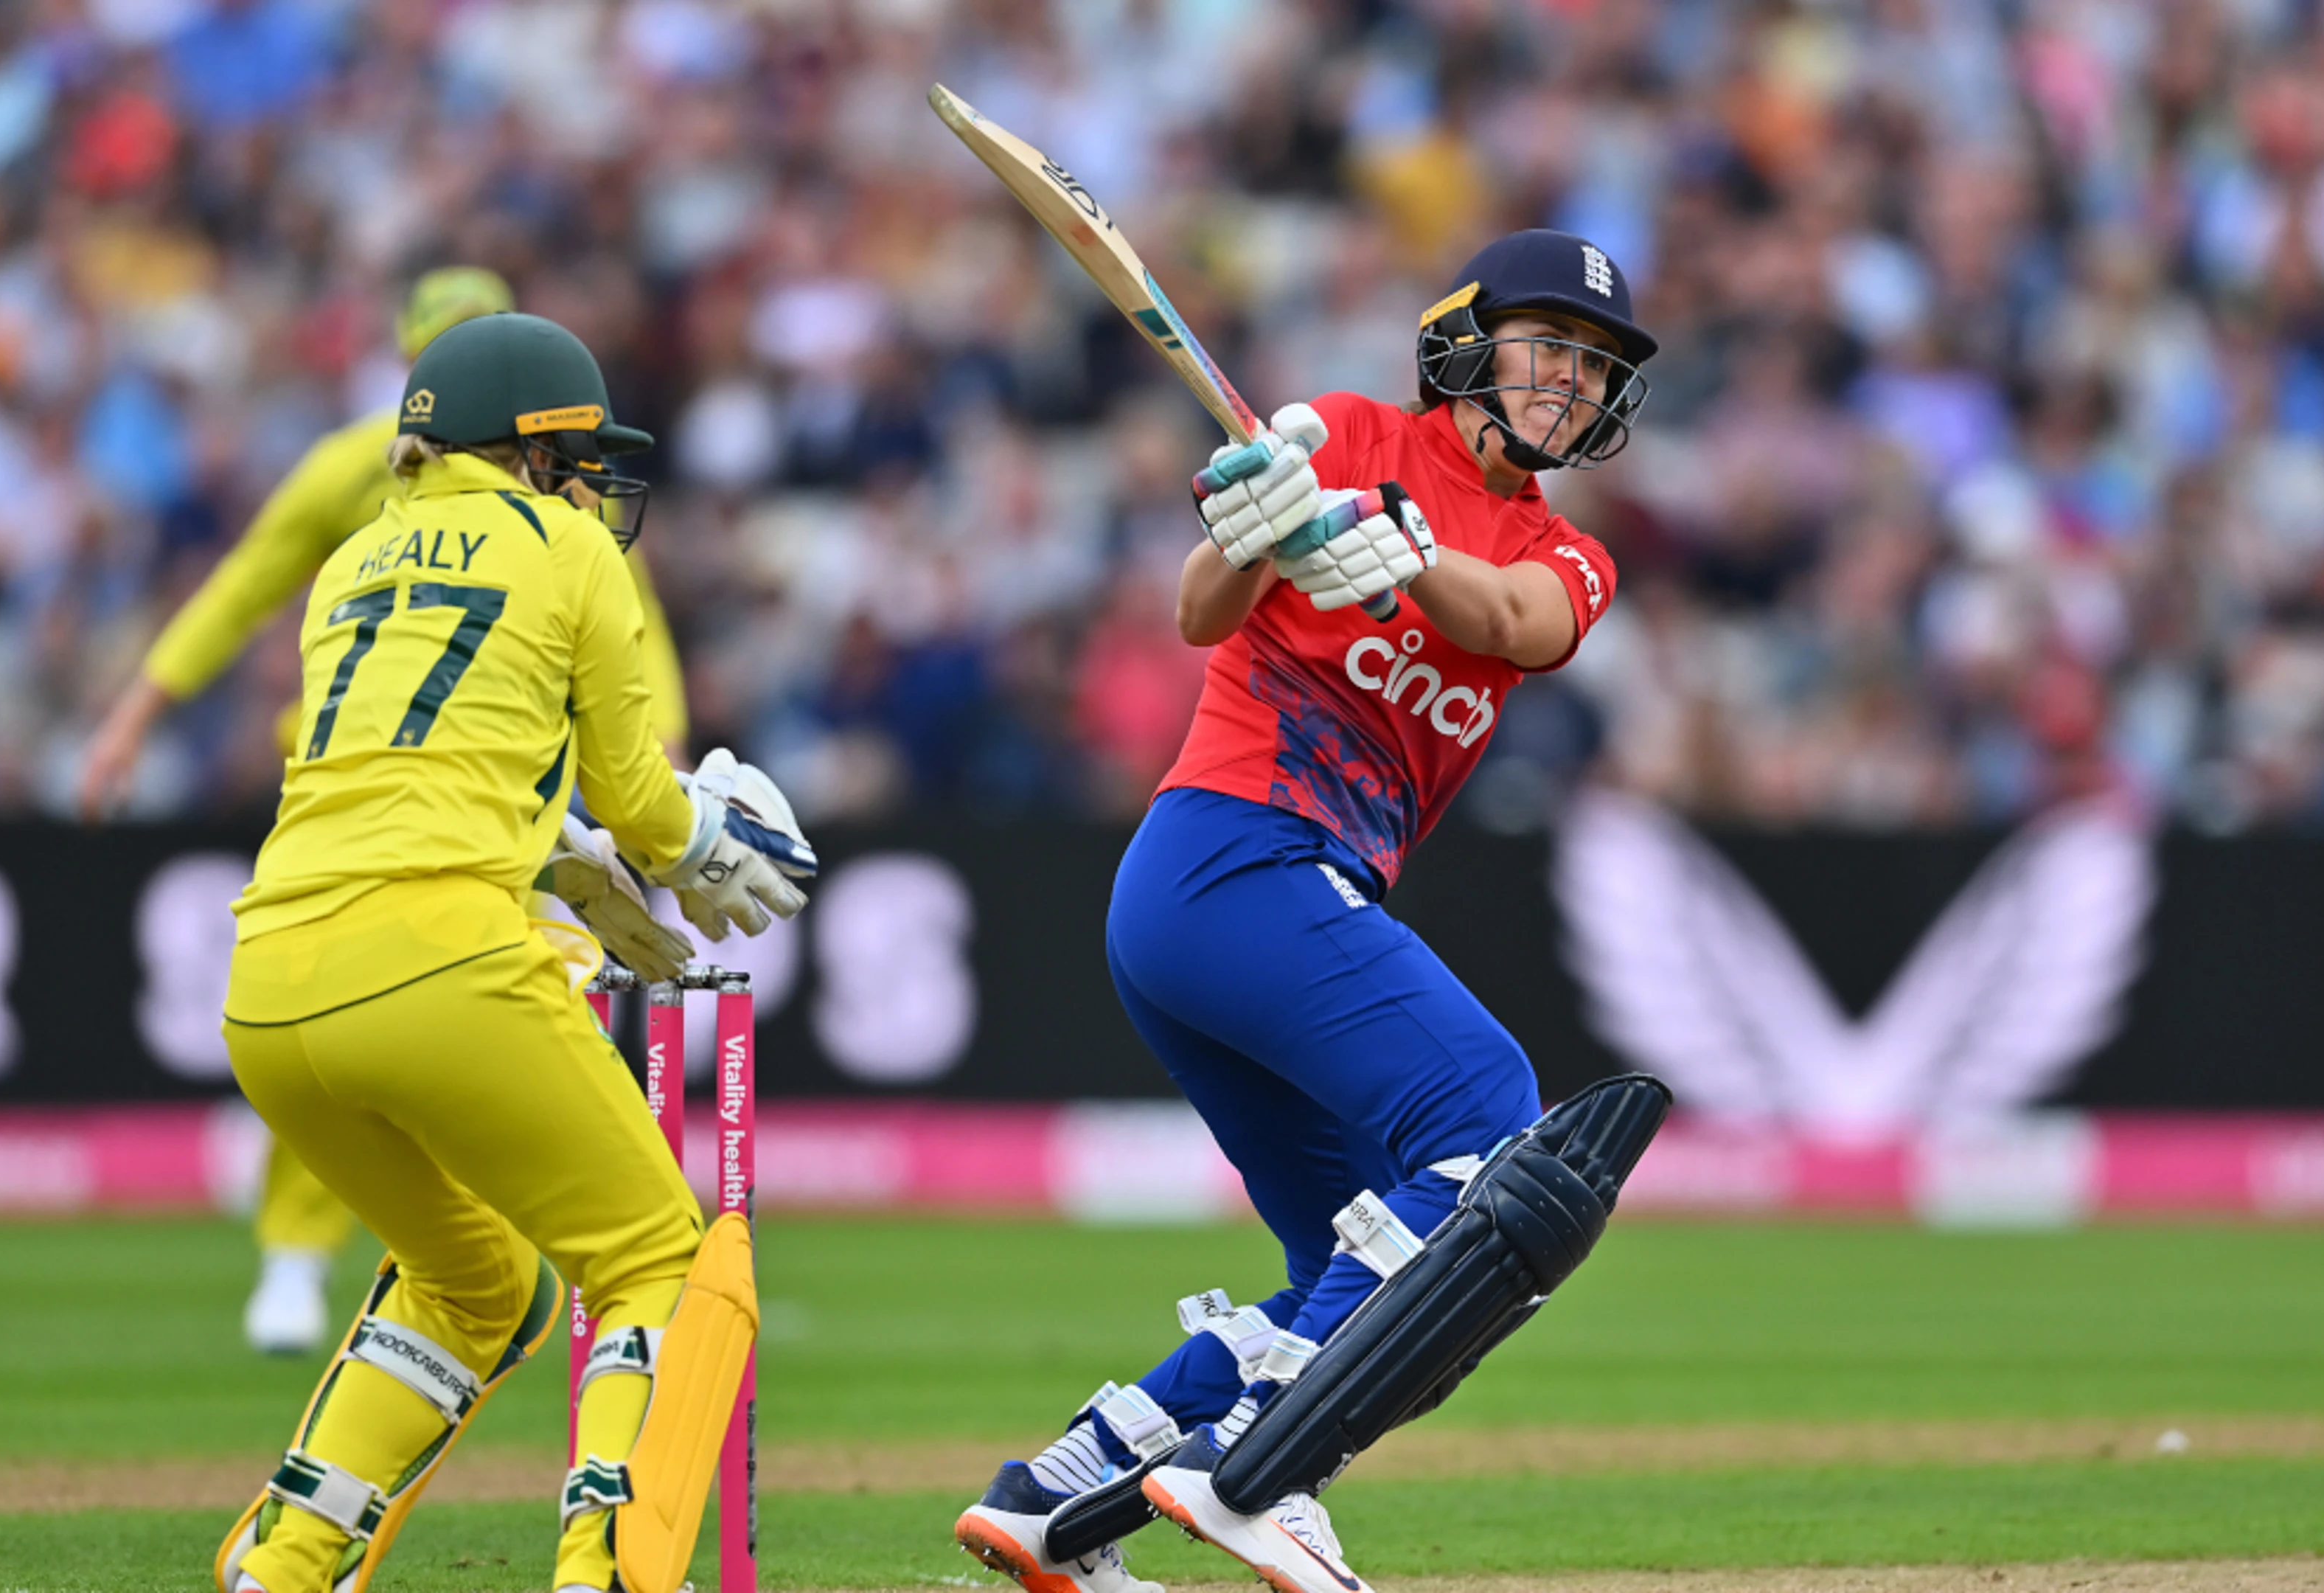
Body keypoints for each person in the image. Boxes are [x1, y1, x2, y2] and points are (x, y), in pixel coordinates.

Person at [953, 230, 1655, 1593]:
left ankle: (1059, 1501)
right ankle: (1259, 1471)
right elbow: (1200, 612)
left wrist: (1395, 553)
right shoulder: (1339, 432)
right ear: (1468, 342)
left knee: (1366, 1271)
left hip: (1242, 895)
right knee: (1488, 1117)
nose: (1569, 380)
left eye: (1593, 363)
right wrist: (1258, 520)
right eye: (1547, 345)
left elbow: (1512, 621)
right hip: (1234, 856)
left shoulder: (1567, 554)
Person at [212, 311, 816, 1593]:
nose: (596, 479)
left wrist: (561, 858)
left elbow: (416, 770)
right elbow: (646, 806)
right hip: (442, 965)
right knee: (658, 1262)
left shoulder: (354, 565)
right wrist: (712, 837)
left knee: (479, 1284)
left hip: (267, 988)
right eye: (582, 453)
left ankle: (290, 1559)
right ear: (533, 448)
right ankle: (602, 1573)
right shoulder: (568, 549)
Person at [76, 267, 697, 1356]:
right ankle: (298, 1256)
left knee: (341, 999)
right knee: (649, 1245)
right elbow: (241, 585)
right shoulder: (542, 531)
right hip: (431, 844)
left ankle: (328, 1410)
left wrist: (136, 712)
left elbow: (254, 589)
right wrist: (678, 812)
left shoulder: (366, 539)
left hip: (337, 878)